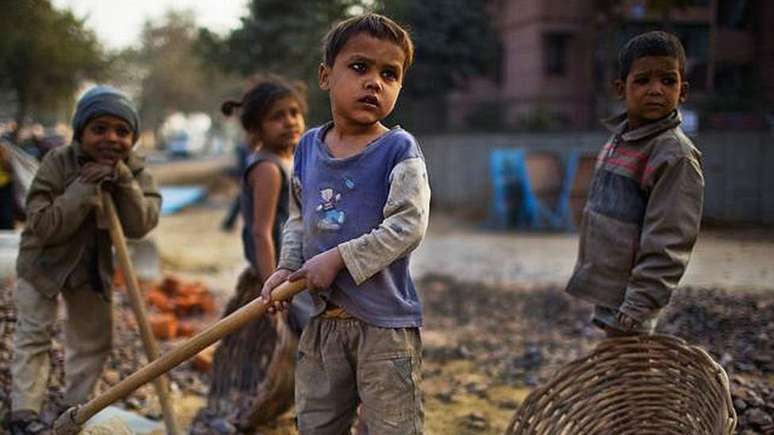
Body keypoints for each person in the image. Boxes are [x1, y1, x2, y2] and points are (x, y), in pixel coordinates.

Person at [261, 13, 431, 434]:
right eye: (360, 67)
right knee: (317, 423)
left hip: (384, 328)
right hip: (322, 323)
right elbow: (299, 218)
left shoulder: (398, 149)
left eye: (389, 74)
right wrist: (287, 266)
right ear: (325, 76)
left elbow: (409, 224)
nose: (374, 81)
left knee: (391, 427)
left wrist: (339, 257)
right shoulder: (307, 149)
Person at [9, 86, 161, 434]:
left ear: (133, 138)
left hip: (91, 267)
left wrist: (122, 181)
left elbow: (141, 224)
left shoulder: (133, 169)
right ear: (80, 132)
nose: (111, 139)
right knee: (34, 335)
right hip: (43, 264)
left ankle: (73, 411)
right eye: (99, 129)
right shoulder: (57, 162)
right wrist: (81, 188)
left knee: (94, 340)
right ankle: (24, 415)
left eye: (122, 132)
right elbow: (42, 226)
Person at [192, 76, 314, 433]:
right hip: (275, 275)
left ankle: (282, 404)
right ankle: (238, 411)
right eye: (278, 116)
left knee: (295, 346)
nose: (290, 121)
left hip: (297, 272)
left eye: (295, 113)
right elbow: (261, 230)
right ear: (258, 127)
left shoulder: (294, 160)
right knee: (278, 344)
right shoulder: (266, 167)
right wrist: (272, 284)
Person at [565, 31, 704, 337]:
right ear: (621, 88)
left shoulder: (673, 155)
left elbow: (670, 238)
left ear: (683, 91)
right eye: (643, 81)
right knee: (621, 370)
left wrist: (640, 302)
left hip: (633, 298)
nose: (656, 90)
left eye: (668, 81)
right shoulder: (623, 140)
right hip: (611, 291)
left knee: (633, 372)